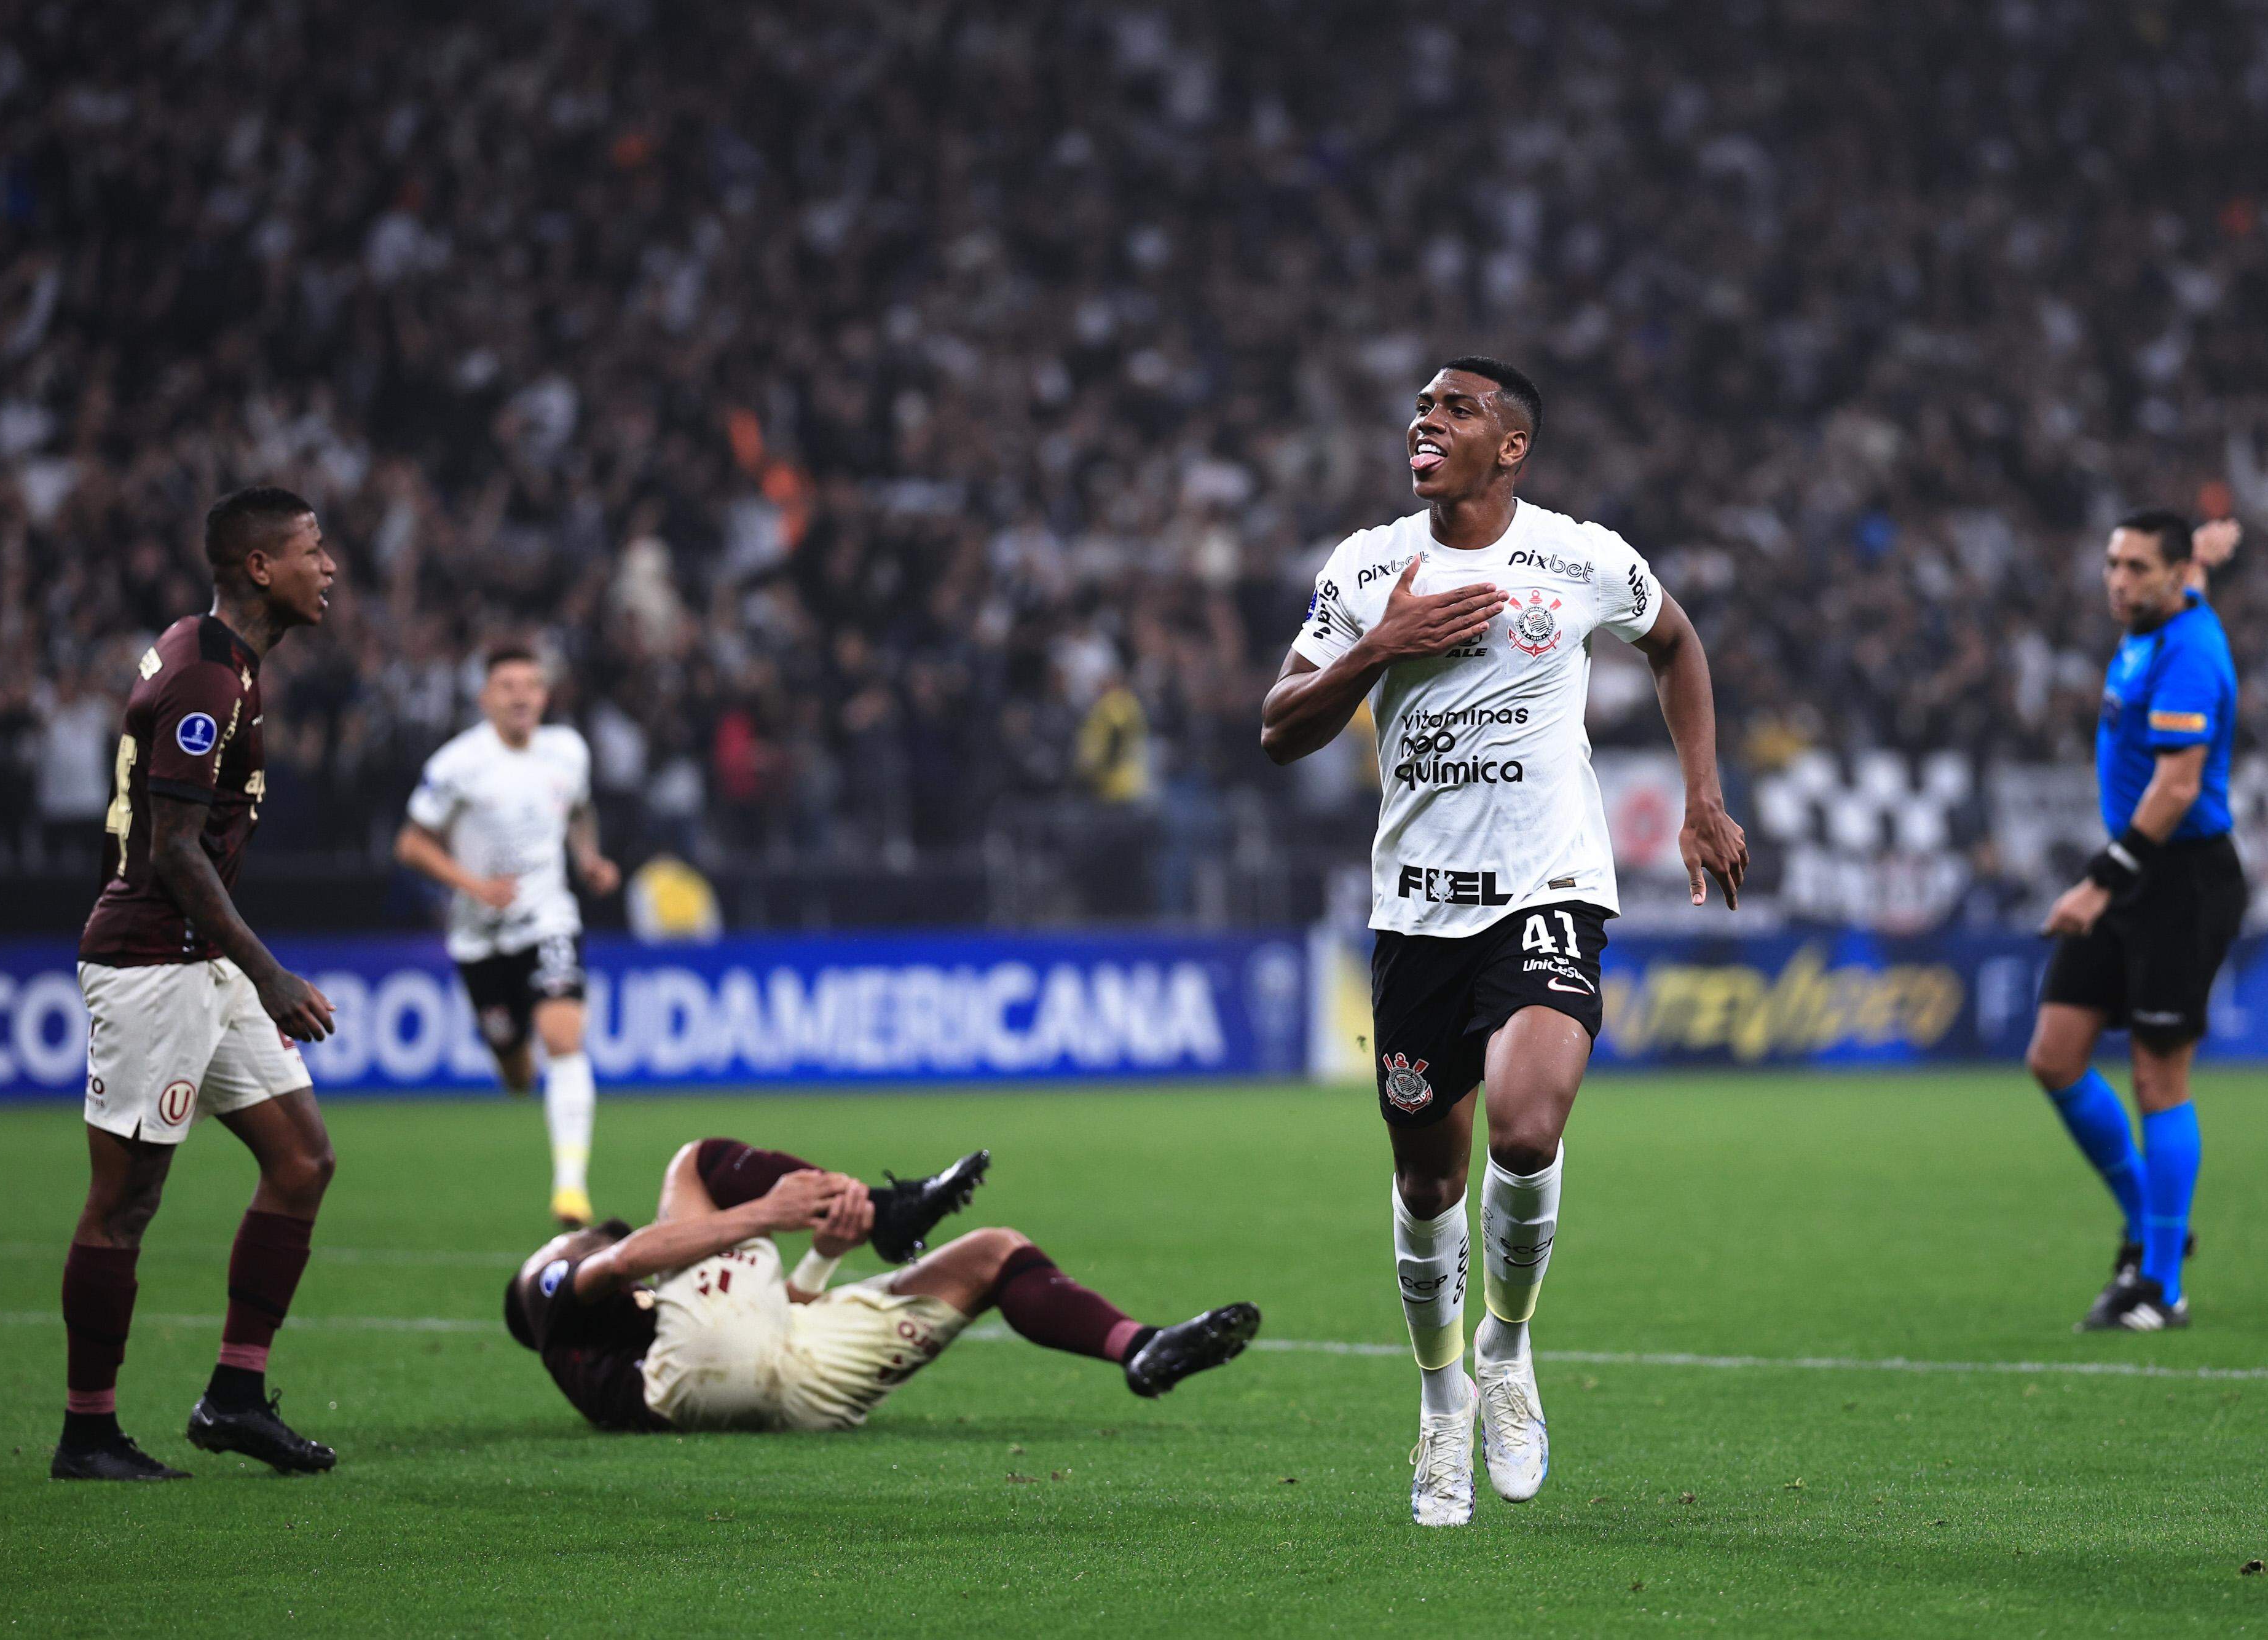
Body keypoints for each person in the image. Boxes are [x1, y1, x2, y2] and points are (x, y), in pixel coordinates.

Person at [1259, 358, 1749, 1526]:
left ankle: (1508, 1353)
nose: (1425, 421)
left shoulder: (1581, 557)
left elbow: (1675, 642)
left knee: (1527, 1128)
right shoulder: (1368, 567)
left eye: (1455, 408)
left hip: (1550, 886)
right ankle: (1441, 1405)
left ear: (1510, 446)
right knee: (1429, 1177)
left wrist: (1702, 797)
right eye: (1422, 407)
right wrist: (1382, 645)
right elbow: (1279, 727)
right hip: (1418, 909)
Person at [55, 487, 342, 1482]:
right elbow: (174, 850)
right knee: (126, 1201)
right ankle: (88, 1430)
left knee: (303, 1159)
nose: (331, 565)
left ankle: (235, 1396)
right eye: (313, 549)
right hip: (150, 961)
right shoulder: (208, 680)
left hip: (199, 955)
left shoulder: (214, 655)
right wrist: (269, 974)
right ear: (260, 567)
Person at [503, 1140, 1256, 1433]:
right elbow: (626, 1260)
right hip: (678, 1389)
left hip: (783, 1385)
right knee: (695, 1163)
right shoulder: (542, 1287)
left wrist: (823, 1256)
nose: (584, 1230)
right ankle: (889, 1210)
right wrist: (766, 1211)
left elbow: (756, 1338)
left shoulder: (677, 1310)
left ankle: (1139, 1345)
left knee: (994, 1252)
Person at [2026, 510, 2245, 1333]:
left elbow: (2177, 790)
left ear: (2168, 575)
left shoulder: (2191, 655)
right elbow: (2193, 576)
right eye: (2113, 563)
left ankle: (2159, 1287)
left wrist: (2096, 884)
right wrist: (2203, 556)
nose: (2119, 582)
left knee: (2159, 1077)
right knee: (2054, 1057)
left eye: (2136, 568)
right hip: (2131, 872)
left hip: (2180, 881)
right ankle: (2152, 1221)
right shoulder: (2171, 604)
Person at [394, 647, 622, 1225]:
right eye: (508, 686)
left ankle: (570, 1187)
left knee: (565, 1036)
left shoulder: (568, 751)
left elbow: (578, 811)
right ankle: (513, 1056)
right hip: (478, 939)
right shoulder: (458, 765)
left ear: (545, 696)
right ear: (485, 698)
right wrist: (472, 885)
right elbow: (411, 844)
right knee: (517, 1073)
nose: (522, 696)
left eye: (532, 685)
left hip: (549, 918)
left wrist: (589, 858)